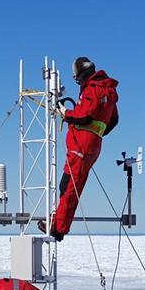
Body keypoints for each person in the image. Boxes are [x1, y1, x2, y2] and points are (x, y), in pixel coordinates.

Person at [38, 56, 119, 241]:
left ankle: (58, 227)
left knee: (68, 185)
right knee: (74, 185)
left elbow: (85, 115)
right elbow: (114, 120)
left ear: (81, 75)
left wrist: (66, 114)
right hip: (94, 145)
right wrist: (95, 134)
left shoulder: (93, 89)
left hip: (81, 145)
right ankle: (59, 223)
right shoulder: (109, 91)